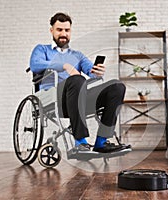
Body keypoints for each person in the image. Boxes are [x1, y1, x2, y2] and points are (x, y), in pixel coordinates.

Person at [30, 12, 128, 153]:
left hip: (78, 97)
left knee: (117, 87)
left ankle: (101, 141)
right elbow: (35, 65)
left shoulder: (78, 55)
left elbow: (90, 72)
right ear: (51, 30)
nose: (63, 33)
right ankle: (80, 143)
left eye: (67, 30)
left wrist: (97, 71)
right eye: (59, 30)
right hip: (54, 98)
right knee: (77, 80)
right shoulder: (42, 49)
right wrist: (64, 65)